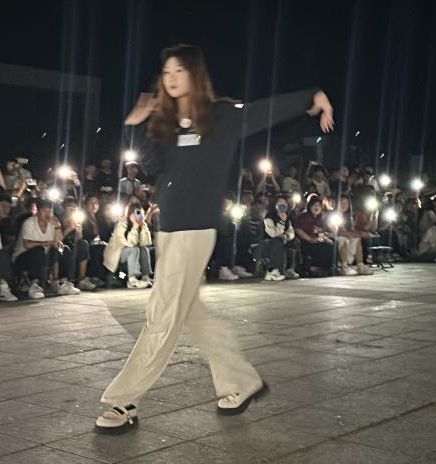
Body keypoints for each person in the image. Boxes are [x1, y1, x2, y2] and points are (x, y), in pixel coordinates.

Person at [94, 44, 335, 433]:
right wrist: (138, 124)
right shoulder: (166, 124)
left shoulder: (220, 116)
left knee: (162, 314)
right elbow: (154, 167)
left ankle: (124, 400)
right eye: (166, 72)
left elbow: (264, 110)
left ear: (195, 74)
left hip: (195, 230)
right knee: (193, 314)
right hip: (170, 229)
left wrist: (312, 97)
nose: (171, 78)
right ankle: (241, 381)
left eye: (179, 71)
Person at [13, 198, 78, 298]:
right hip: (24, 256)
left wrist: (57, 227)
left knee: (63, 249)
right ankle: (34, 285)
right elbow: (27, 245)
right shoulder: (29, 223)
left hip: (45, 255)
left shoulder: (53, 223)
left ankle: (63, 282)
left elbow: (58, 243)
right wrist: (45, 243)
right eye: (44, 211)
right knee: (38, 250)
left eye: (49, 212)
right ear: (37, 212)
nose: (47, 215)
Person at [105, 202, 154, 289]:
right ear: (129, 214)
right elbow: (130, 244)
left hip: (131, 255)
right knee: (134, 249)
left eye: (139, 213)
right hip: (117, 257)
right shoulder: (122, 224)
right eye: (135, 213)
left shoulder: (141, 224)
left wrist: (143, 227)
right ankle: (132, 280)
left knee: (144, 249)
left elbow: (146, 243)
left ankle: (145, 277)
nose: (137, 216)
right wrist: (135, 227)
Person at [57, 197, 95, 292]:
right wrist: (69, 228)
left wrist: (79, 232)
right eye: (70, 207)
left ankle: (81, 279)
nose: (72, 209)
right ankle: (65, 280)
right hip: (59, 246)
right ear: (64, 208)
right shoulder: (58, 220)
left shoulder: (76, 219)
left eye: (75, 207)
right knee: (66, 249)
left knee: (83, 244)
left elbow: (78, 238)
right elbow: (58, 240)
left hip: (73, 244)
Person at [257, 195, 296, 281]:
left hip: (283, 239)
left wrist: (286, 236)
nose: (282, 205)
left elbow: (291, 232)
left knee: (295, 242)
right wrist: (281, 222)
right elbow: (273, 234)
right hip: (268, 242)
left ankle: (289, 269)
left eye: (284, 203)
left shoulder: (287, 217)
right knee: (277, 241)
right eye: (280, 202)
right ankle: (272, 270)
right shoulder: (269, 217)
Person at [295, 195, 336, 276]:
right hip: (305, 241)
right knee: (324, 246)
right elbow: (298, 229)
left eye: (319, 205)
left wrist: (325, 236)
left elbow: (325, 231)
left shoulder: (319, 219)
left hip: (317, 239)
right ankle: (314, 267)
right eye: (314, 205)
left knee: (333, 242)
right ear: (310, 206)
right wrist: (310, 239)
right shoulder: (304, 216)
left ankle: (329, 267)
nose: (317, 207)